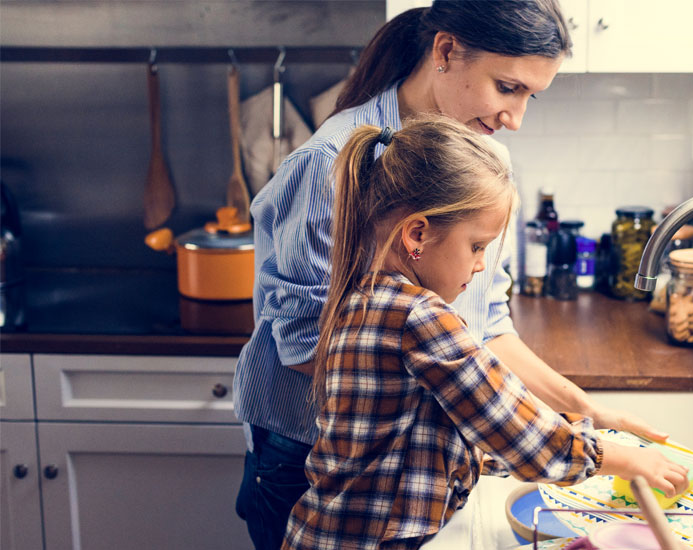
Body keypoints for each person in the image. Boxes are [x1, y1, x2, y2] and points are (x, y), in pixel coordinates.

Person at [234, 2, 669, 548]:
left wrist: (578, 406)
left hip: (410, 469)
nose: (516, 117)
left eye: (531, 96)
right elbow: (302, 347)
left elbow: (486, 324)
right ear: (445, 51)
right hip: (310, 462)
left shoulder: (484, 163)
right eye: (507, 87)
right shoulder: (328, 164)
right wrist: (484, 411)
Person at [281, 117, 689, 550]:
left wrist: (582, 431)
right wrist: (623, 460)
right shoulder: (417, 316)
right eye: (477, 246)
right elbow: (519, 435)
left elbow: (459, 432)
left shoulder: (366, 295)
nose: (479, 265)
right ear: (417, 233)